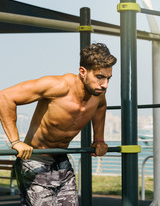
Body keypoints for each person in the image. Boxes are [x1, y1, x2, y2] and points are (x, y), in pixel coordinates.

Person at [0, 43, 117, 206]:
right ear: (83, 72)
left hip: (61, 159)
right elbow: (5, 97)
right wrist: (15, 142)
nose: (105, 84)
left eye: (108, 78)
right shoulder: (57, 86)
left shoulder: (98, 94)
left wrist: (99, 139)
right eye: (99, 77)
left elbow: (101, 107)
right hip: (35, 160)